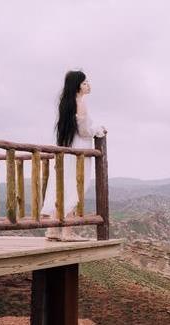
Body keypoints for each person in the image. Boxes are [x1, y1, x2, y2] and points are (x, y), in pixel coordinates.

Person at [42, 70, 107, 241]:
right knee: (75, 186)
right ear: (77, 86)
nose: (88, 85)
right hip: (79, 148)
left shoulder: (65, 104)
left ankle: (53, 230)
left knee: (62, 185)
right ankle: (68, 232)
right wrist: (98, 130)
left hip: (66, 147)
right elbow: (84, 131)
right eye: (84, 82)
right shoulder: (80, 103)